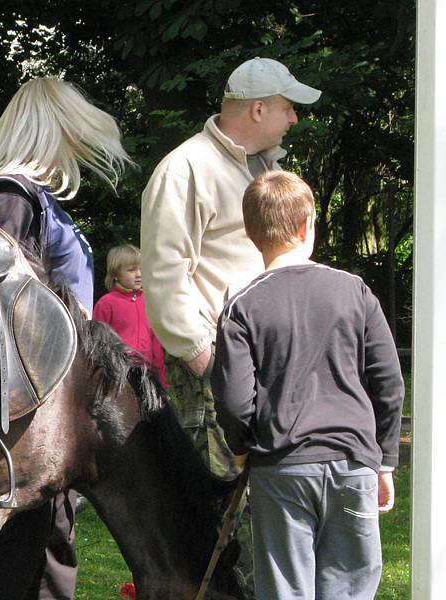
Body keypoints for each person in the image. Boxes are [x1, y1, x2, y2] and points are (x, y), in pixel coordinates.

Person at [0, 77, 131, 600]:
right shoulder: (9, 196)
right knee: (20, 545)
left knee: (46, 542)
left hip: (45, 398)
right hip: (28, 403)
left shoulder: (29, 197)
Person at [211, 171, 404, 599]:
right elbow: (388, 381)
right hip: (353, 464)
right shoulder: (355, 291)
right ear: (307, 226)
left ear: (250, 233)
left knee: (285, 591)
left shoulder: (241, 307)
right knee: (350, 590)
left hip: (282, 469)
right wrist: (384, 461)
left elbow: (233, 399)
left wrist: (242, 449)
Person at [140, 57, 322, 480]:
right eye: (288, 107)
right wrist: (208, 361)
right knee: (220, 508)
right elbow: (165, 277)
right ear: (258, 109)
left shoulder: (267, 168)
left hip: (270, 362)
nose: (295, 118)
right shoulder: (184, 170)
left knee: (268, 501)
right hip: (216, 366)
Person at [93, 244, 167, 389]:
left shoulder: (149, 301)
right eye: (132, 270)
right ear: (115, 275)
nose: (139, 274)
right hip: (119, 376)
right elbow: (99, 343)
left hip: (148, 375)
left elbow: (156, 342)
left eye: (141, 268)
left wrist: (162, 380)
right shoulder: (106, 303)